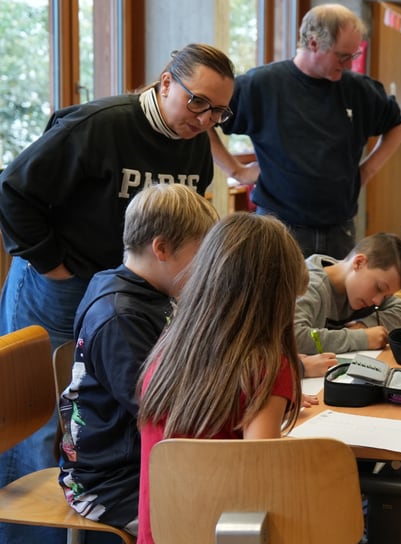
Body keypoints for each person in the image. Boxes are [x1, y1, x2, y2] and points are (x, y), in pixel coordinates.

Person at [0, 42, 234, 544]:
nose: (206, 119)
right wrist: (56, 267)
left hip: (131, 288)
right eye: (198, 102)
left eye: (218, 110)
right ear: (166, 83)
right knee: (46, 416)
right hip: (59, 282)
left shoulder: (193, 141)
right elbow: (12, 190)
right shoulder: (97, 124)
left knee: (112, 407)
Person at [136, 212, 308, 544]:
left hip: (162, 534)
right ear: (280, 293)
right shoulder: (267, 367)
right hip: (226, 535)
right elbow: (262, 480)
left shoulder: (166, 352)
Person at [58, 183, 218, 536]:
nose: (206, 271)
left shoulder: (155, 293)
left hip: (151, 461)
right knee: (226, 521)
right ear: (161, 248)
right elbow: (162, 409)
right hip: (112, 482)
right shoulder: (119, 318)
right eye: (201, 257)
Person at [209, 3, 401, 259]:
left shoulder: (359, 90)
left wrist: (367, 170)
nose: (349, 65)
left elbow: (397, 125)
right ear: (313, 43)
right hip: (279, 227)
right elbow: (203, 119)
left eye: (353, 55)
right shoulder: (261, 85)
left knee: (336, 299)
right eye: (342, 56)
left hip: (340, 229)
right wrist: (236, 170)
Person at [295, 233, 401, 360]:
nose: (377, 301)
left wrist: (363, 326)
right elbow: (293, 338)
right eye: (379, 288)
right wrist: (361, 338)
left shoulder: (357, 288)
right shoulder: (308, 286)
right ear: (359, 263)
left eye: (386, 295)